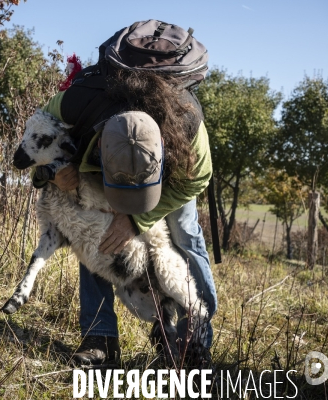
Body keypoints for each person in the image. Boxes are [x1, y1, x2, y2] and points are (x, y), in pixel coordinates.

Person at [32, 52, 217, 367]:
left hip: (174, 175)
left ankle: (192, 339)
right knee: (96, 233)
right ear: (100, 145)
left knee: (184, 234)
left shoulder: (187, 126)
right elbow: (34, 139)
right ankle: (99, 337)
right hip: (95, 170)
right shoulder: (77, 105)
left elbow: (196, 181)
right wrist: (52, 169)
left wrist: (136, 219)